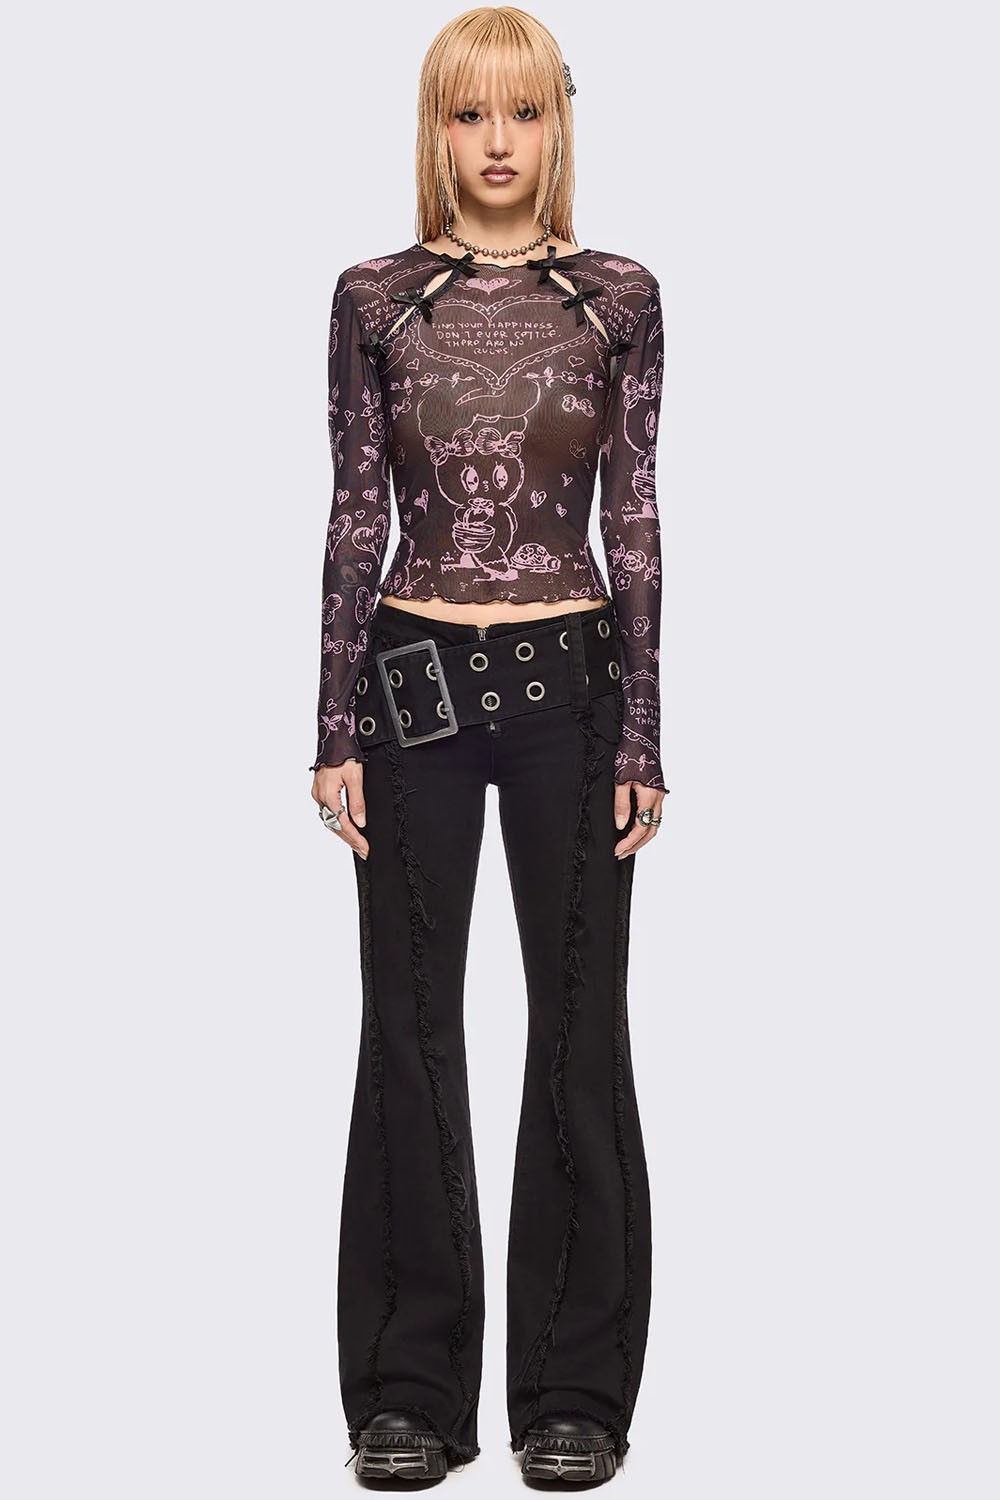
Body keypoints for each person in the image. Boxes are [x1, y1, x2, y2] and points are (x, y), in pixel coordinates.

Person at [308, 7, 667, 1486]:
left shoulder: (617, 298)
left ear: (558, 124)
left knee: (578, 1029)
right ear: (437, 130)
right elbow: (354, 513)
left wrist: (644, 728)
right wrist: (333, 721)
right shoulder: (376, 299)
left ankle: (573, 1394)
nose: (500, 142)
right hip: (414, 685)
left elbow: (635, 519)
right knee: (407, 1028)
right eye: (471, 115)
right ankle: (408, 1392)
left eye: (524, 112)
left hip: (572, 681)